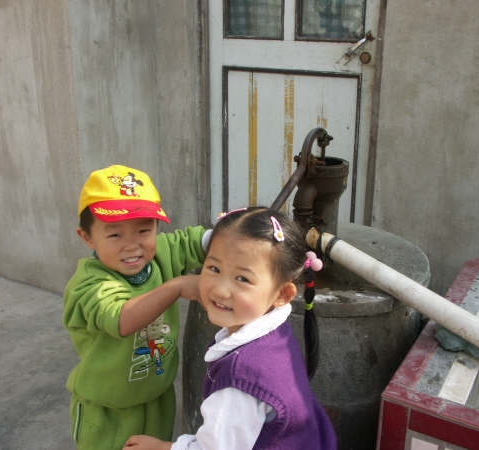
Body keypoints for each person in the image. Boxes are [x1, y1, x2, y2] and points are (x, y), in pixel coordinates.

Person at [123, 207, 337, 449]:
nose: (220, 290)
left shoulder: (239, 382)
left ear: (282, 294)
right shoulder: (275, 335)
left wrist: (163, 447)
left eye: (242, 279)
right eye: (214, 269)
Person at [63, 164, 211, 450]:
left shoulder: (160, 255)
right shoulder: (89, 285)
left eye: (144, 230)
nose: (132, 246)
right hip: (108, 411)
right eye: (115, 235)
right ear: (87, 237)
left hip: (157, 398)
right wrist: (177, 286)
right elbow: (121, 317)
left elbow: (192, 242)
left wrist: (228, 235)